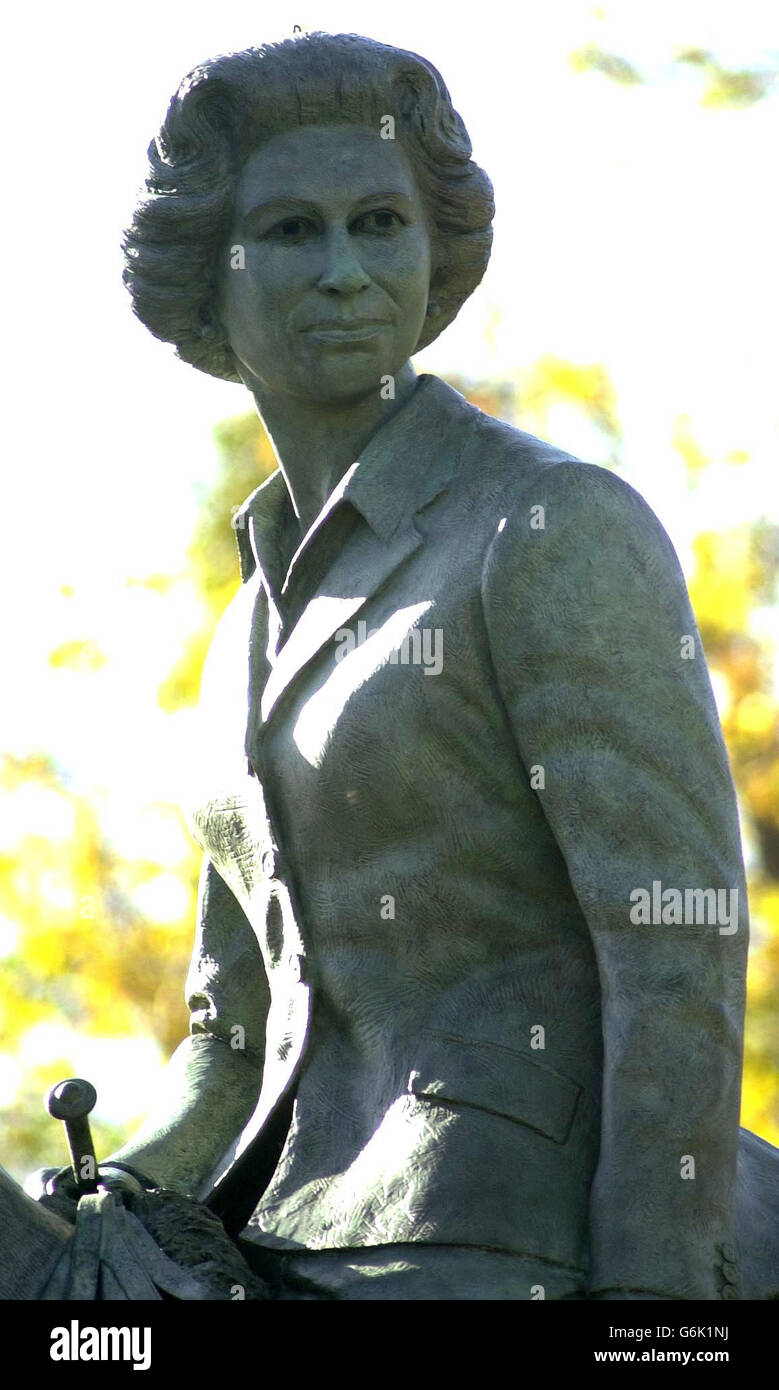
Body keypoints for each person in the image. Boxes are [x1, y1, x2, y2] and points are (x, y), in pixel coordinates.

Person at [26, 31, 776, 1301]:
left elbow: (676, 936)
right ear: (206, 280)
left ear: (433, 258)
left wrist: (658, 1295)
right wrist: (108, 1202)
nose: (343, 274)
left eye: (377, 224)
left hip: (510, 1236)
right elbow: (231, 1039)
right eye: (290, 232)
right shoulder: (239, 638)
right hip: (284, 1221)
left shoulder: (545, 527)